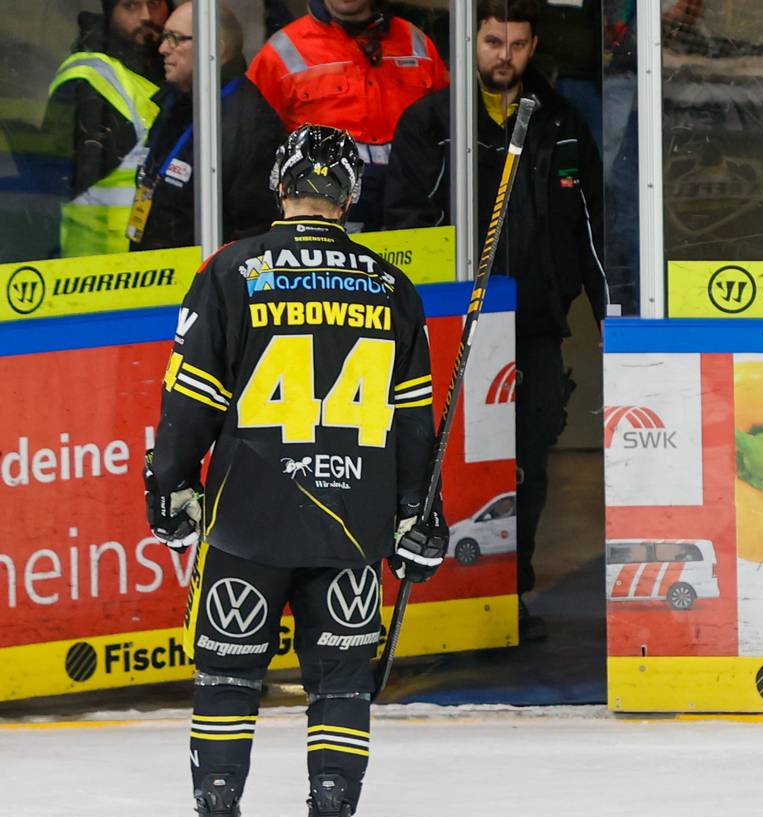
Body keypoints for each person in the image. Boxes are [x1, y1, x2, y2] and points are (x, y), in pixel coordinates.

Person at [143, 125, 448, 817]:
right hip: (354, 522)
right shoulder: (391, 286)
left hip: (249, 516)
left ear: (280, 186)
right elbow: (414, 422)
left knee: (227, 674)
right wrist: (420, 513)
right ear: (351, 195)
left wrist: (169, 485)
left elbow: (191, 399)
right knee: (341, 682)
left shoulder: (232, 270)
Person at [384, 0, 607, 637]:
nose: (504, 56)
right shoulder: (432, 122)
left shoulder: (560, 122)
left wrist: (609, 320)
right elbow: (404, 226)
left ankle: (511, 593)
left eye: (516, 44)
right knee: (447, 458)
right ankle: (443, 593)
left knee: (527, 459)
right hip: (456, 328)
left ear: (534, 47)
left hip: (534, 324)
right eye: (492, 42)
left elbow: (592, 227)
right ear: (471, 42)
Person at [247, 0, 448, 233]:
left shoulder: (416, 42)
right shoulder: (281, 51)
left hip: (412, 213)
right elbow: (251, 149)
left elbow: (448, 124)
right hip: (323, 215)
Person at [127, 1, 285, 250]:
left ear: (214, 50)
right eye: (165, 37)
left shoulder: (250, 125)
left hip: (204, 268)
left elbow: (252, 230)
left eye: (175, 39)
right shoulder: (177, 102)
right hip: (158, 265)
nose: (162, 48)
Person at [43, 0, 173, 256]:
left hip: (158, 266)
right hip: (98, 268)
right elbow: (53, 188)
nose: (147, 16)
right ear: (110, 13)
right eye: (131, 6)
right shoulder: (91, 79)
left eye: (155, 3)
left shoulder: (168, 76)